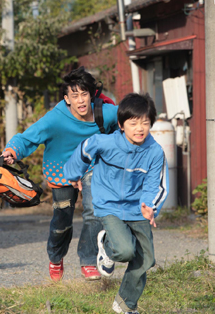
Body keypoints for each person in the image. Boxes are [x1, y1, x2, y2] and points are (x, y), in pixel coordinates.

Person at [1, 67, 119, 281]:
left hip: (93, 166)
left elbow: (129, 121)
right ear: (67, 99)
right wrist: (11, 151)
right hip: (62, 170)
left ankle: (89, 260)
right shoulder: (55, 118)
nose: (81, 100)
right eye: (75, 96)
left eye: (84, 94)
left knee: (94, 212)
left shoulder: (106, 112)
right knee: (62, 219)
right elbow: (29, 137)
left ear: (91, 95)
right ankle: (55, 257)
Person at [64, 93, 169, 314]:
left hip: (137, 208)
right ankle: (109, 248)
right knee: (124, 251)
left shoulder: (154, 151)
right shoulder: (106, 142)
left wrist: (150, 206)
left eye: (145, 123)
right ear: (121, 125)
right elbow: (84, 149)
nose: (139, 128)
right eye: (133, 123)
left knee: (146, 258)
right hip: (108, 204)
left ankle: (125, 304)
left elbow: (156, 185)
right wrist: (73, 174)